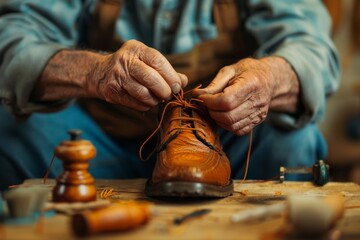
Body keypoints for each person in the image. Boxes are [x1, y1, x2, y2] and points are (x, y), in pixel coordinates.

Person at [0, 0, 340, 191]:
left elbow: (312, 48)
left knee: (293, 139)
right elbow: (13, 39)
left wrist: (268, 77)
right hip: (101, 135)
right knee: (11, 132)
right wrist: (93, 71)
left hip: (224, 138)